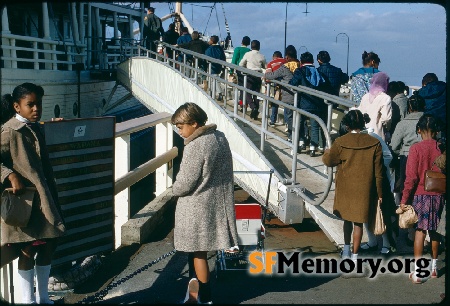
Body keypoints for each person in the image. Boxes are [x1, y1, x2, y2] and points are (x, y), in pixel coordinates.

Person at [1, 83, 66, 304]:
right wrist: (10, 175)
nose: (36, 108)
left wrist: (53, 127)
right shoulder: (10, 131)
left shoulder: (35, 126)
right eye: (30, 104)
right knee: (28, 250)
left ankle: (44, 298)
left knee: (49, 245)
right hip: (26, 202)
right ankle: (27, 301)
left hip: (44, 200)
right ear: (17, 107)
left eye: (38, 103)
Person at [171, 102, 239, 304]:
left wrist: (173, 189)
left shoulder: (195, 145)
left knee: (198, 253)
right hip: (216, 204)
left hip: (196, 208)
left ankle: (204, 298)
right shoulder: (219, 137)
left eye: (181, 126)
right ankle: (194, 295)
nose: (179, 131)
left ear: (193, 123)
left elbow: (185, 183)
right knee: (199, 251)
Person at [322, 109, 383, 263]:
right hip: (365, 188)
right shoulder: (374, 142)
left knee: (347, 220)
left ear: (347, 125)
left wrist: (326, 152)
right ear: (363, 124)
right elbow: (379, 172)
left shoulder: (341, 142)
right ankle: (355, 256)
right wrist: (380, 193)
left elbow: (329, 161)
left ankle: (347, 250)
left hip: (345, 188)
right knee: (358, 222)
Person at [399, 114, 444, 284]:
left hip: (420, 194)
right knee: (435, 231)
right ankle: (433, 269)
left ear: (419, 130)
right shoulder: (442, 147)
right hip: (439, 195)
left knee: (420, 231)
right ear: (436, 130)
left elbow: (410, 178)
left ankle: (418, 272)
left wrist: (404, 200)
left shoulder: (416, 149)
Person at [390, 92, 425, 246]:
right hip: (427, 159)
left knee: (407, 191)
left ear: (409, 107)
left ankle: (408, 230)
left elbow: (394, 145)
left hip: (407, 157)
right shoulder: (429, 120)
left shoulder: (403, 123)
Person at [289, 51, 328, 156]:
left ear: (301, 61)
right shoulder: (318, 72)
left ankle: (300, 143)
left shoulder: (300, 71)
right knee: (314, 125)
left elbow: (292, 84)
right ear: (312, 61)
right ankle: (312, 148)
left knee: (299, 123)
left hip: (303, 103)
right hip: (317, 104)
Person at [357, 71, 392, 142]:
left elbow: (359, 112)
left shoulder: (365, 97)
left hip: (363, 132)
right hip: (377, 134)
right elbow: (386, 118)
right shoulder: (385, 98)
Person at [239, 39, 267, 120]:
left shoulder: (248, 54)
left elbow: (241, 64)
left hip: (249, 75)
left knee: (246, 91)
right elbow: (265, 66)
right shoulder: (262, 56)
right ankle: (255, 112)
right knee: (256, 94)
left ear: (251, 46)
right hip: (258, 75)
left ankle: (253, 107)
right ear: (259, 47)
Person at [417, 73, 446, 137]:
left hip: (428, 125)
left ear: (424, 84)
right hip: (445, 124)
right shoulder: (445, 88)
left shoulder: (420, 93)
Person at [265, 51, 287, 127]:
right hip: (286, 84)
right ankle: (287, 122)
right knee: (286, 104)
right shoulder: (286, 61)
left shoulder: (271, 63)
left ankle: (272, 120)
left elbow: (268, 75)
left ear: (274, 57)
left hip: (277, 84)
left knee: (275, 101)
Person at [230, 36, 251, 107]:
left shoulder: (238, 49)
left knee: (241, 86)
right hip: (248, 71)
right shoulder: (249, 51)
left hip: (239, 70)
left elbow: (234, 60)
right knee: (246, 87)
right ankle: (245, 102)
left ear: (241, 42)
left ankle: (242, 103)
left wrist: (231, 71)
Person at [205, 35, 226, 101]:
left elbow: (206, 57)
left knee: (213, 79)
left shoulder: (209, 49)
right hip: (219, 66)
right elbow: (223, 57)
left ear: (211, 40)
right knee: (214, 79)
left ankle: (219, 93)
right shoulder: (219, 48)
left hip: (212, 66)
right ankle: (212, 93)